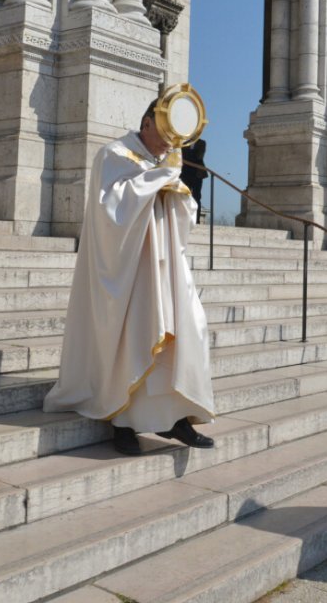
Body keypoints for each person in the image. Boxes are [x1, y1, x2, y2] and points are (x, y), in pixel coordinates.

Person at [43, 99, 216, 455]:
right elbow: (111, 210)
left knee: (189, 329)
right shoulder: (114, 154)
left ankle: (175, 417)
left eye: (176, 139)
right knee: (136, 334)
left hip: (167, 265)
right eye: (166, 134)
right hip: (129, 268)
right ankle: (122, 422)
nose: (170, 145)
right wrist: (160, 179)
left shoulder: (165, 162)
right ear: (147, 122)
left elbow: (183, 214)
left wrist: (177, 187)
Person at [179, 138, 209, 224]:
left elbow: (199, 157)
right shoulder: (183, 143)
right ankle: (183, 218)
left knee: (196, 196)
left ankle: (196, 220)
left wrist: (188, 157)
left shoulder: (202, 143)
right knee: (183, 196)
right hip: (185, 173)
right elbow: (181, 155)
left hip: (197, 174)